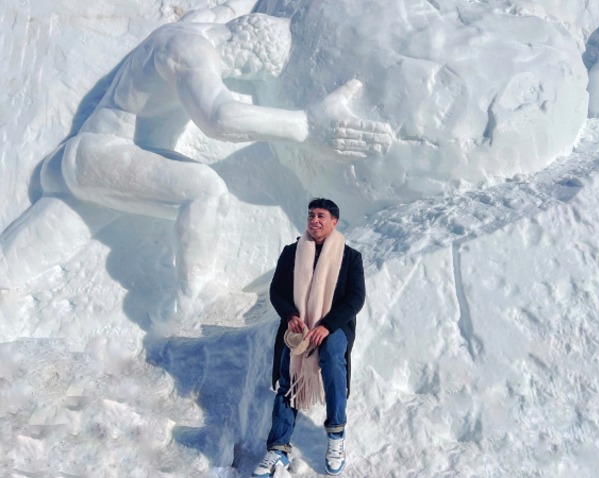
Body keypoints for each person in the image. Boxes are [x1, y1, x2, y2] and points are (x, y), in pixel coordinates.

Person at [0, 1, 392, 318]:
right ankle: (191, 302)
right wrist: (306, 126)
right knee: (205, 191)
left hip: (98, 164)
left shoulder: (199, 28)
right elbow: (219, 118)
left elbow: (223, 13)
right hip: (101, 155)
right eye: (249, 68)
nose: (238, 75)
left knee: (13, 266)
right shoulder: (189, 50)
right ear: (240, 46)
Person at [252, 198, 365, 477]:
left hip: (334, 326)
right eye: (311, 215)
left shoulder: (350, 257)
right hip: (297, 327)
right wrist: (290, 315)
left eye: (321, 216)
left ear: (334, 222)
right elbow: (277, 290)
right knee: (288, 377)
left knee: (332, 358)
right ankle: (277, 449)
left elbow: (355, 299)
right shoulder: (292, 252)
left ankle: (336, 436)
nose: (314, 220)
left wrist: (327, 325)